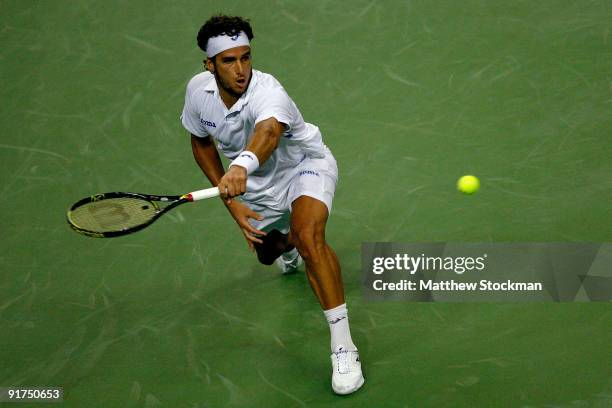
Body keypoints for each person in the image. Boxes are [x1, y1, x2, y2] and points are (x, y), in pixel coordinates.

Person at [180, 14, 364, 395]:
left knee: (311, 237)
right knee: (270, 254)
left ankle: (344, 348)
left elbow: (267, 134)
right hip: (254, 188)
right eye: (228, 61)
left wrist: (240, 166)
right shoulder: (198, 92)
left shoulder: (269, 92)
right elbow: (200, 143)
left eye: (245, 57)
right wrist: (231, 204)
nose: (241, 69)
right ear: (209, 64)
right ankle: (287, 244)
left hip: (303, 166)